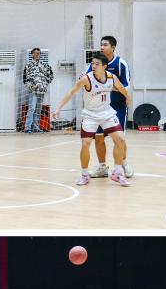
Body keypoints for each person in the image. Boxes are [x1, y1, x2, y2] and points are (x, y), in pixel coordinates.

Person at [54, 52, 132, 186]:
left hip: (107, 113)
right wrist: (58, 108)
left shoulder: (111, 77)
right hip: (90, 115)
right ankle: (84, 175)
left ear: (104, 66)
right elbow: (71, 92)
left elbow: (121, 88)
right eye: (92, 64)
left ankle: (118, 173)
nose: (94, 66)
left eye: (97, 64)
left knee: (120, 139)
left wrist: (127, 98)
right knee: (86, 144)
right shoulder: (86, 79)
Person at [86, 36, 134, 180]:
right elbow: (87, 79)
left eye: (105, 45)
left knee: (119, 138)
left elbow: (126, 86)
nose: (102, 47)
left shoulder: (120, 64)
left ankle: (123, 163)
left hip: (117, 106)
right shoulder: (95, 64)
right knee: (99, 138)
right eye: (101, 45)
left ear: (113, 47)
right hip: (99, 108)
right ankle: (102, 167)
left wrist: (109, 87)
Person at [23, 50, 54, 133]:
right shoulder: (28, 66)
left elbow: (51, 75)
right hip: (33, 91)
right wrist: (31, 86)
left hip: (42, 91)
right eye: (36, 53)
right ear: (32, 54)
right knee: (31, 109)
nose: (37, 54)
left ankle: (36, 127)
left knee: (38, 110)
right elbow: (25, 79)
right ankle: (27, 127)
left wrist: (45, 83)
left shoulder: (44, 65)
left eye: (39, 53)